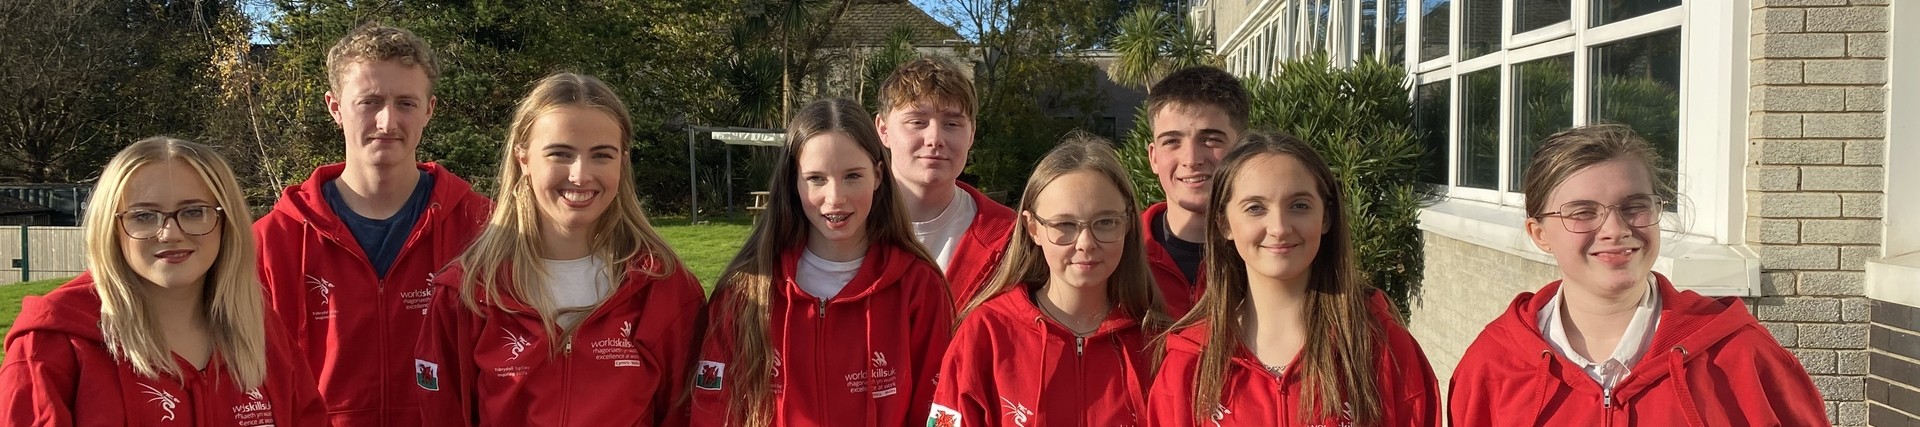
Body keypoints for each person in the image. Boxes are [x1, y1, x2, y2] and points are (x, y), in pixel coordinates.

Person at [1447, 124, 1827, 426]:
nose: (1615, 228)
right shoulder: (1492, 366)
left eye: (1635, 206)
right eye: (1582, 212)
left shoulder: (1742, 356)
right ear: (1540, 234)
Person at [411, 72, 706, 427]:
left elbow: (684, 415)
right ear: (523, 159)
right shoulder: (467, 292)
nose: (580, 175)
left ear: (622, 161)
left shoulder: (665, 288)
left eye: (602, 155)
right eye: (560, 154)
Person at [252, 22, 490, 426]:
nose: (387, 121)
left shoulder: (484, 228)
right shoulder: (272, 240)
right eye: (370, 101)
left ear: (429, 110)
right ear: (335, 108)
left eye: (406, 103)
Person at [0, 137, 327, 426]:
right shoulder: (52, 344)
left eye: (195, 212)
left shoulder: (259, 328)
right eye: (143, 216)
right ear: (110, 227)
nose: (170, 233)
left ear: (226, 222)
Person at [1146, 132, 1439, 426]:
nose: (1279, 227)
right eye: (1255, 208)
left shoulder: (1381, 347)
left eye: (1299, 205)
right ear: (1224, 223)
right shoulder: (1188, 364)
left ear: (1326, 217)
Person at [692, 98, 953, 427]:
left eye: (852, 176)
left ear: (878, 175)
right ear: (793, 183)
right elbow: (713, 407)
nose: (835, 198)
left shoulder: (918, 286)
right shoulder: (746, 290)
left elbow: (938, 408)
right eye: (816, 178)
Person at [926, 131, 1171, 427]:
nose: (1085, 242)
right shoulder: (985, 333)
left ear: (1128, 223)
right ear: (1033, 228)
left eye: (1105, 222)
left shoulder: (1158, 342)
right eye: (1064, 224)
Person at [873, 57, 1016, 309]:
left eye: (952, 124)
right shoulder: (843, 229)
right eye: (917, 122)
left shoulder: (1010, 239)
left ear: (971, 134)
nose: (935, 138)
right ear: (883, 130)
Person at [1140, 66, 1251, 318]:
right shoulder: (1118, 250)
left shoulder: (1270, 250)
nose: (1191, 159)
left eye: (1210, 139)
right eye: (1172, 141)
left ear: (1244, 149)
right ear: (1153, 157)